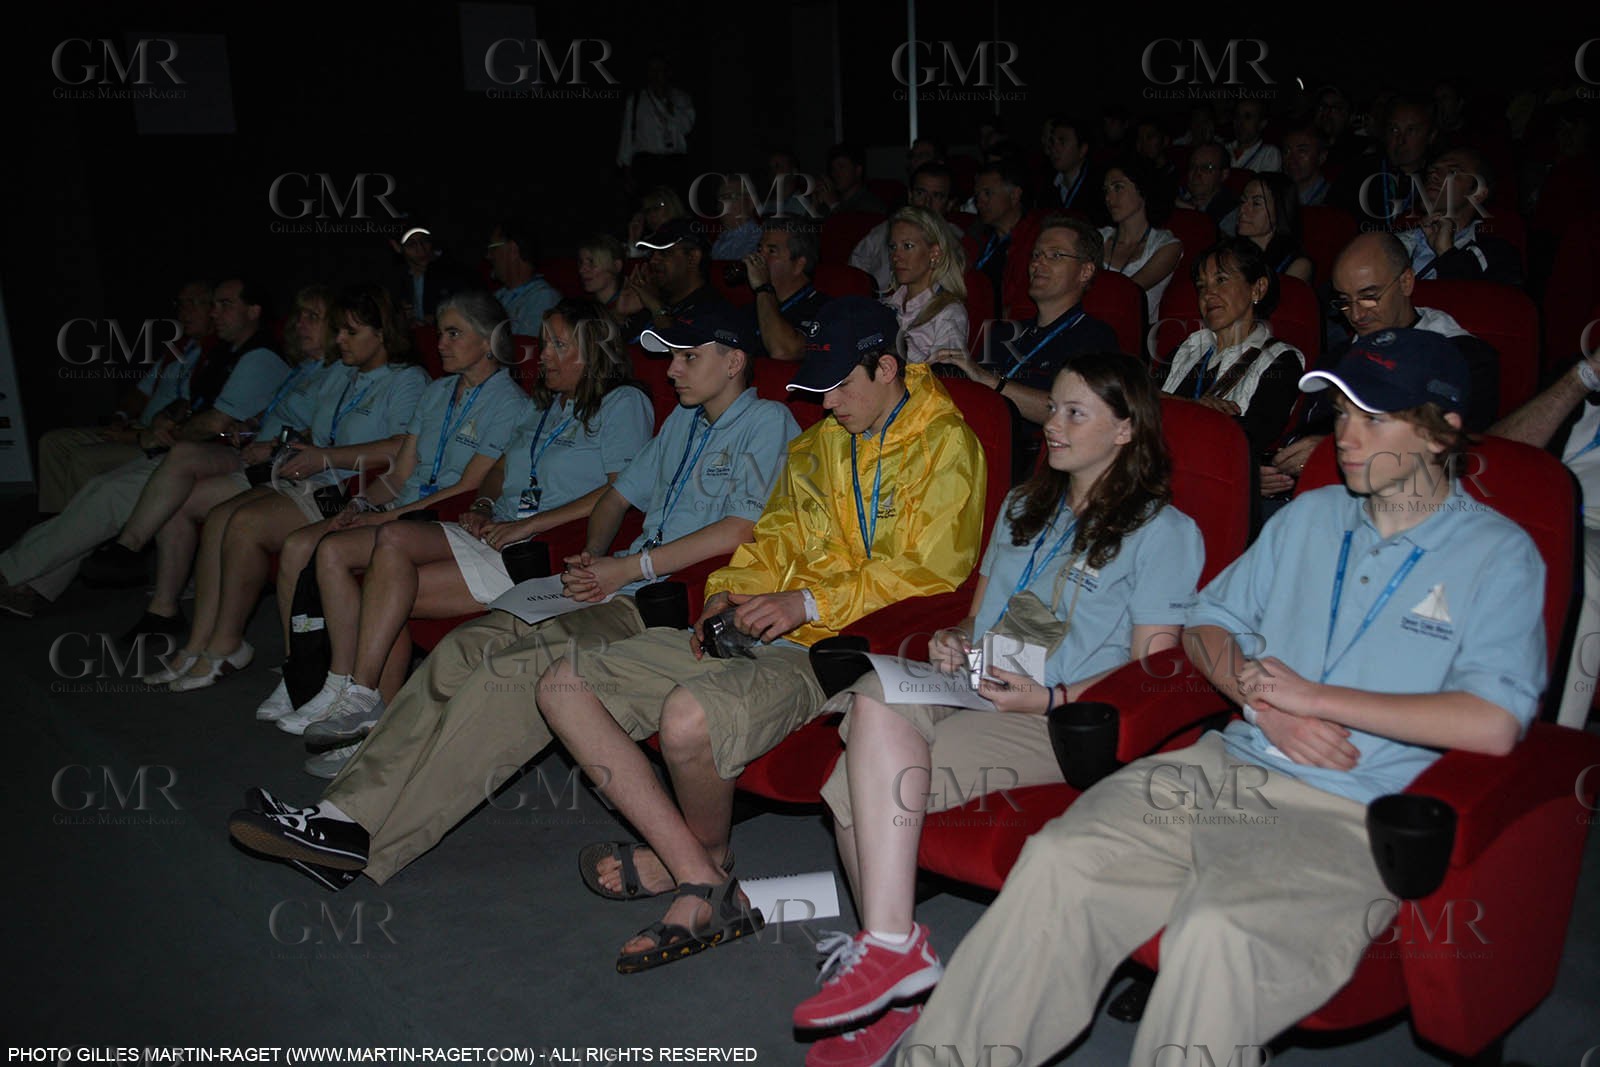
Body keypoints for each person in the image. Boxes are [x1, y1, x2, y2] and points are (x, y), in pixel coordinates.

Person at [900, 329, 1546, 1067]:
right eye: (1340, 414)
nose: (1347, 436)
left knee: (1218, 931)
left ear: (1443, 431)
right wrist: (1259, 698)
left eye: (1374, 418)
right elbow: (1208, 623)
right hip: (1226, 764)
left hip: (1353, 809)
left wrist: (1315, 699)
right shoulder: (1310, 516)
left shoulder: (1498, 554)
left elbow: (1495, 722)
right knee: (1060, 858)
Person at [224, 309, 800, 890]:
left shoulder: (767, 421)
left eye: (687, 357)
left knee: (515, 673)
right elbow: (615, 497)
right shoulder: (685, 419)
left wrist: (625, 566)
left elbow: (739, 531)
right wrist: (590, 558)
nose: (670, 369)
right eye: (670, 356)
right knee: (464, 649)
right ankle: (341, 814)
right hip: (614, 583)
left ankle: (372, 841)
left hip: (668, 605)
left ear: (733, 362)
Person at [534, 297, 985, 974]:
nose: (825, 404)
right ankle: (704, 872)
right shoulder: (820, 446)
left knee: (687, 720)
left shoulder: (948, 443)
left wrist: (806, 601)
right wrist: (725, 594)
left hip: (832, 645)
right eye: (817, 388)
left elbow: (930, 574)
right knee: (561, 685)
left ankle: (699, 874)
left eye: (838, 386)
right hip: (766, 620)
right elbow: (771, 540)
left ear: (887, 367)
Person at [795, 353, 1203, 1063]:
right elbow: (973, 617)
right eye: (1054, 408)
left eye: (1078, 412)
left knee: (862, 783)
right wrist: (952, 643)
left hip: (1056, 716)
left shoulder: (1165, 532)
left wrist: (1051, 695)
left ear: (1127, 431)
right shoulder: (1023, 506)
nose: (1054, 424)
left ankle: (896, 982)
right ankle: (895, 956)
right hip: (975, 686)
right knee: (868, 699)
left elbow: (1155, 671)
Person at [271, 300, 653, 768]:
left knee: (385, 584)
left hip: (545, 550)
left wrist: (528, 524)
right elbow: (499, 469)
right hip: (497, 531)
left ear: (593, 352)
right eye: (546, 342)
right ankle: (363, 701)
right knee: (387, 542)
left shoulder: (624, 404)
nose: (544, 354)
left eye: (558, 344)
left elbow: (620, 494)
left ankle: (366, 715)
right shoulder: (550, 405)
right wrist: (484, 503)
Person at [155, 291, 526, 693]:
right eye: (439, 333)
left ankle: (343, 686)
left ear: (489, 340)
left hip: (439, 516)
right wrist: (362, 502)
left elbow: (467, 487)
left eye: (453, 333)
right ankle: (306, 669)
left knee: (324, 547)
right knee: (298, 544)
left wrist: (381, 514)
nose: (440, 344)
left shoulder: (508, 403)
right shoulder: (439, 391)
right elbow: (400, 472)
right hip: (400, 505)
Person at [0, 277, 289, 619]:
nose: (215, 312)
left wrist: (168, 431)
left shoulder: (261, 358)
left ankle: (10, 572)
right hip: (192, 456)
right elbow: (193, 407)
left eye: (225, 304)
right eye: (213, 304)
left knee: (106, 493)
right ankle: (30, 584)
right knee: (100, 491)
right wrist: (170, 419)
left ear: (253, 311)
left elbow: (214, 424)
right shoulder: (224, 354)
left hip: (220, 462)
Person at [91, 285, 344, 639]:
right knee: (181, 460)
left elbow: (323, 433)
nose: (300, 324)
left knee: (180, 491)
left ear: (336, 326)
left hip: (279, 464)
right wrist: (252, 426)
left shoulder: (339, 372)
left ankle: (136, 559)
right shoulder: (303, 368)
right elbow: (279, 413)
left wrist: (272, 444)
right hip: (254, 450)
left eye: (312, 317)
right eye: (299, 316)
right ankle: (156, 597)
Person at [1261, 232, 1501, 508]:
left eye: (1369, 297)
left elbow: (1458, 459)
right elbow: (1305, 429)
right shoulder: (1338, 358)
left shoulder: (1463, 359)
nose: (1356, 315)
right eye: (1345, 302)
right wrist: (1279, 469)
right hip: (1312, 500)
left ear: (1406, 282)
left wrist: (1329, 452)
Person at [931, 215, 1118, 481]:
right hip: (971, 451)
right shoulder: (1002, 333)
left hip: (1036, 466)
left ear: (1085, 272)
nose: (1038, 263)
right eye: (1036, 255)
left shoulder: (1095, 337)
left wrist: (989, 381)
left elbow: (1074, 414)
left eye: (1055, 255)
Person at [1487, 343, 1600, 729]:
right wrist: (1580, 379)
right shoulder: (1577, 382)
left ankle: (1554, 733)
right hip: (1546, 512)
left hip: (1591, 532)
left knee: (1576, 563)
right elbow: (1495, 460)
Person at [35, 279, 213, 514]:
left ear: (215, 309)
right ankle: (54, 522)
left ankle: (82, 536)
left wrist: (131, 435)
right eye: (180, 304)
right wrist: (120, 416)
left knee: (83, 458)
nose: (184, 311)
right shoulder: (179, 349)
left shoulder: (219, 357)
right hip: (138, 427)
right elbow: (140, 392)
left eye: (194, 303)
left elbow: (193, 412)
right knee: (52, 443)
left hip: (160, 439)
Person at [1160, 239, 1305, 454]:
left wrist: (1176, 407)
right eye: (1201, 286)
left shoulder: (1281, 360)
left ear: (1258, 289)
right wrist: (1194, 407)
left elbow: (1252, 437)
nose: (1208, 294)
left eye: (1221, 280)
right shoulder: (1190, 347)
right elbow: (1140, 397)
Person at [1395, 147, 1522, 286]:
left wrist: (1446, 252)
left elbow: (1482, 302)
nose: (1434, 175)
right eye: (1432, 170)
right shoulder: (1393, 240)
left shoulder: (1496, 253)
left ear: (1477, 194)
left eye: (1452, 172)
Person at [851, 163, 957, 294]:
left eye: (937, 196)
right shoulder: (882, 232)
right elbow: (853, 276)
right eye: (920, 193)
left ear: (949, 204)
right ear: (910, 195)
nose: (927, 202)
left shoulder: (956, 240)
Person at [881, 206, 968, 363]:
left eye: (907, 246)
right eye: (893, 247)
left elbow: (942, 377)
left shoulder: (949, 313)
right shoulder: (885, 305)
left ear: (934, 253)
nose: (896, 256)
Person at [1100, 158, 1183, 322]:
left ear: (1142, 189)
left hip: (1134, 336)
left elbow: (1128, 293)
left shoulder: (1167, 245)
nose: (1109, 198)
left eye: (1118, 188)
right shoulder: (1098, 237)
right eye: (1106, 191)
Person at [621, 219, 730, 341]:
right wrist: (621, 315)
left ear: (692, 258)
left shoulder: (713, 311)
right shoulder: (649, 301)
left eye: (664, 253)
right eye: (652, 253)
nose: (653, 261)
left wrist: (657, 310)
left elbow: (679, 353)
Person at [1333, 96, 1435, 225]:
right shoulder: (1357, 172)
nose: (1401, 140)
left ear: (1431, 136)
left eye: (1411, 131)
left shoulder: (1438, 181)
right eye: (1394, 129)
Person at [741, 219, 830, 361]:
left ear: (799, 265)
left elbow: (783, 352)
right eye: (759, 250)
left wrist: (764, 288)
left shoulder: (825, 310)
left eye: (771, 251)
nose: (759, 259)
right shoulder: (751, 307)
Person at [617, 55, 694, 195]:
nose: (656, 75)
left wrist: (671, 110)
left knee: (675, 208)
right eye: (652, 70)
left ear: (668, 72)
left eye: (660, 69)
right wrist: (626, 171)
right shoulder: (635, 100)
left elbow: (687, 128)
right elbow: (627, 137)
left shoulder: (681, 98)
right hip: (647, 165)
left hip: (674, 163)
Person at [962, 160, 1028, 316]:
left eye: (987, 193)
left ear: (1014, 195)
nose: (980, 201)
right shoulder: (978, 237)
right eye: (977, 195)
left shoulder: (1032, 241)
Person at [1235, 172, 1314, 283]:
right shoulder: (1231, 252)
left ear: (1279, 209)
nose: (1243, 209)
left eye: (1256, 203)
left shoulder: (1296, 264)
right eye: (1243, 201)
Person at [388, 225, 473, 325]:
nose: (421, 249)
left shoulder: (453, 271)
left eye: (424, 241)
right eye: (411, 244)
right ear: (397, 246)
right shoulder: (395, 279)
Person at [487, 218, 560, 335]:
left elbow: (526, 349)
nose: (489, 256)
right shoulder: (497, 296)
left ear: (513, 250)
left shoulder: (542, 299)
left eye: (493, 248)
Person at [1045, 115, 1106, 225]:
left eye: (1062, 142)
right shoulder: (1046, 185)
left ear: (1082, 149)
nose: (1054, 148)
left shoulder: (1100, 187)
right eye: (1052, 142)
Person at [1175, 142, 1239, 231]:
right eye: (1193, 166)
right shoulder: (1177, 196)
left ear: (1224, 175)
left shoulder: (1231, 210)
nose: (1197, 173)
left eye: (1207, 168)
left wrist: (1194, 214)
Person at [817, 144, 887, 216]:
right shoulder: (830, 201)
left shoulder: (871, 205)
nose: (835, 174)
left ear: (858, 171)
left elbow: (847, 225)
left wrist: (834, 205)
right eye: (833, 169)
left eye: (841, 167)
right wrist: (815, 204)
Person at [625, 186, 688, 259]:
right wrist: (634, 239)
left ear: (671, 206)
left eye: (656, 208)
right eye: (647, 211)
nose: (651, 215)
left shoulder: (687, 235)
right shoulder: (651, 242)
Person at [709, 175, 763, 261]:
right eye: (720, 199)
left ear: (751, 202)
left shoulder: (761, 241)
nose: (723, 205)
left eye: (730, 197)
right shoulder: (717, 241)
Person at [1226, 99, 1282, 173]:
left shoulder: (1269, 154)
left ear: (1262, 124)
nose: (1240, 123)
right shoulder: (1224, 149)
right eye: (1237, 116)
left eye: (1248, 117)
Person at [1281, 126, 1331, 207]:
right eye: (1287, 151)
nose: (1292, 159)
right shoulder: (1276, 196)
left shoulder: (1333, 198)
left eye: (1301, 151)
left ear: (1322, 156)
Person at [577, 233, 626, 310]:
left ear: (616, 266)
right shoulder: (582, 308)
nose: (581, 270)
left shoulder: (634, 308)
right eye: (581, 262)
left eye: (592, 262)